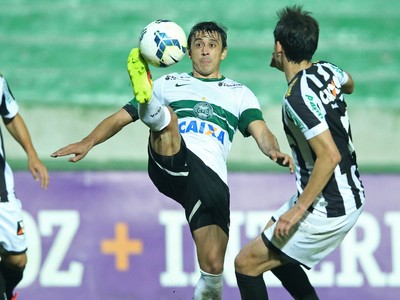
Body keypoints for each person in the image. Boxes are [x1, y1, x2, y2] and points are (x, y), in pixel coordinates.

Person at [53, 21, 300, 299]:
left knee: (213, 271)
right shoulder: (169, 83)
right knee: (168, 119)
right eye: (198, 45)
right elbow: (119, 118)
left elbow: (261, 131)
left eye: (212, 46)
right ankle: (148, 103)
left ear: (223, 53)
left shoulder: (239, 93)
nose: (205, 52)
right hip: (170, 161)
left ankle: (208, 291)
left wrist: (272, 151)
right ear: (188, 52)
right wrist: (88, 141)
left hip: (210, 184)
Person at [234, 5, 366, 300]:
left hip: (328, 205)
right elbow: (351, 84)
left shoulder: (296, 98)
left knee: (246, 264)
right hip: (347, 191)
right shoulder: (327, 70)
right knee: (275, 248)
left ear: (279, 47)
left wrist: (297, 211)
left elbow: (329, 156)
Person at [0, 74, 49, 300]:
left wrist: (32, 154)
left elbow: (10, 115)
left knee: (17, 259)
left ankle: (7, 291)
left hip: (1, 191)